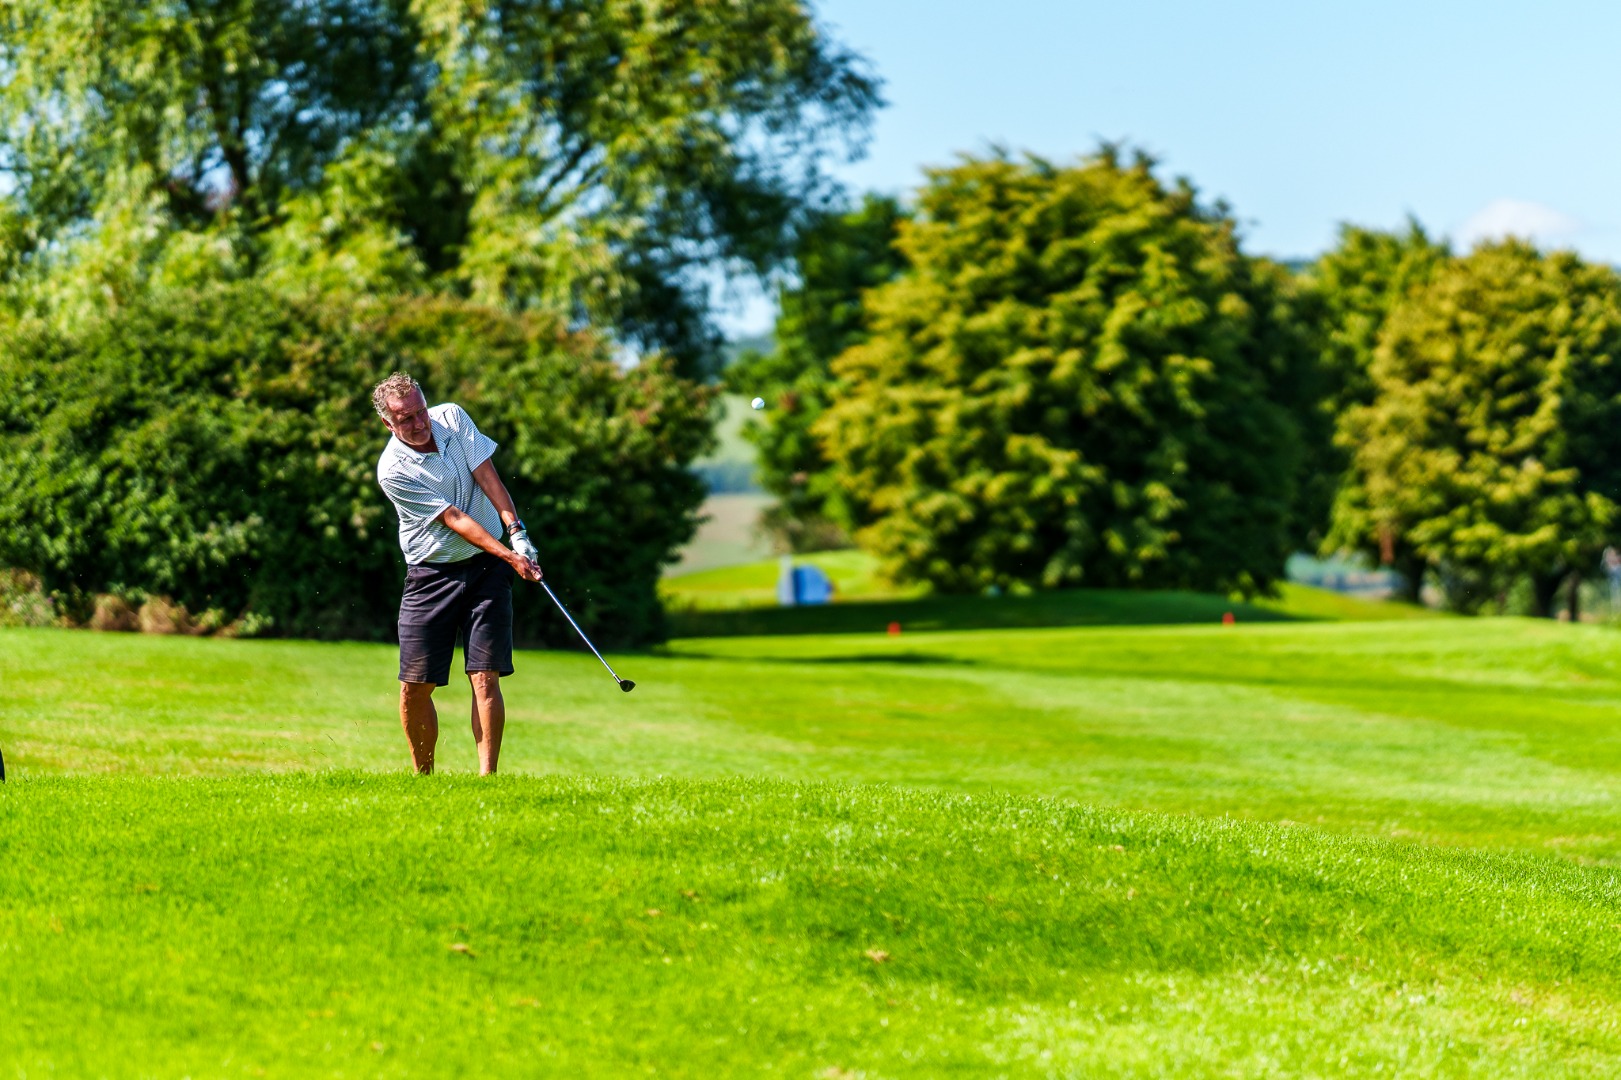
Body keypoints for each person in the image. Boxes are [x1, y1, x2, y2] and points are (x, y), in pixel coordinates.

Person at [372, 372, 543, 775]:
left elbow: (487, 475)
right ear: (387, 423)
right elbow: (454, 518)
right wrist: (510, 556)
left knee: (485, 676)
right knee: (416, 685)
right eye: (406, 419)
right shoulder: (393, 470)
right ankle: (424, 777)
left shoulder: (451, 417)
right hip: (431, 574)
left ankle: (487, 779)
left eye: (420, 411)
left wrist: (517, 532)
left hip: (487, 569)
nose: (419, 423)